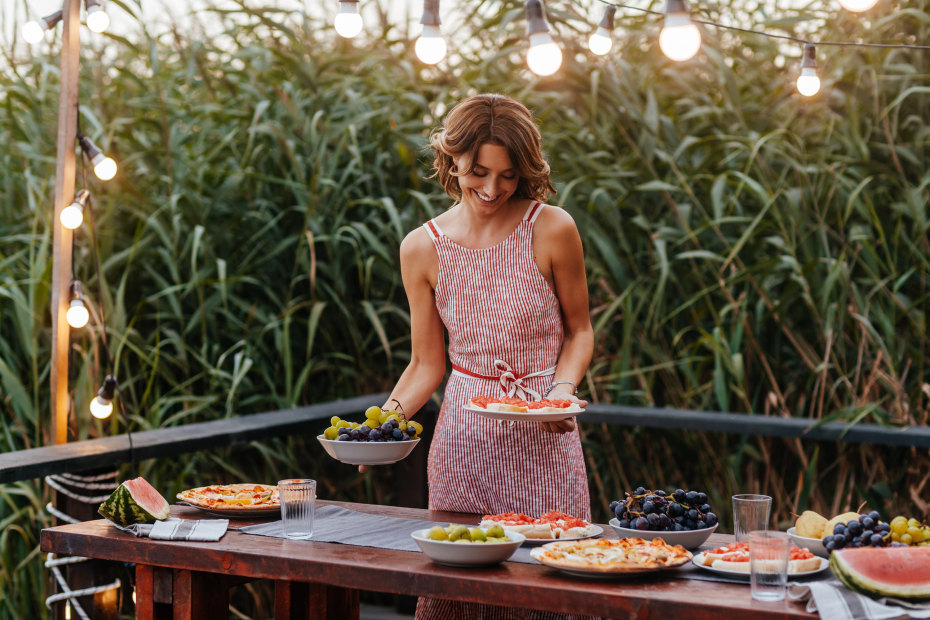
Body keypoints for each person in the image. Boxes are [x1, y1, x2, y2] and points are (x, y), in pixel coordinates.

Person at [379, 93, 595, 620]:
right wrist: (380, 428)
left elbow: (581, 332)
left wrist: (559, 394)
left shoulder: (552, 228)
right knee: (456, 596)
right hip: (463, 446)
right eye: (478, 171)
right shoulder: (421, 247)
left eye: (507, 174)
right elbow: (427, 364)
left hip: (546, 438)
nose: (492, 189)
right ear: (451, 159)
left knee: (549, 590)